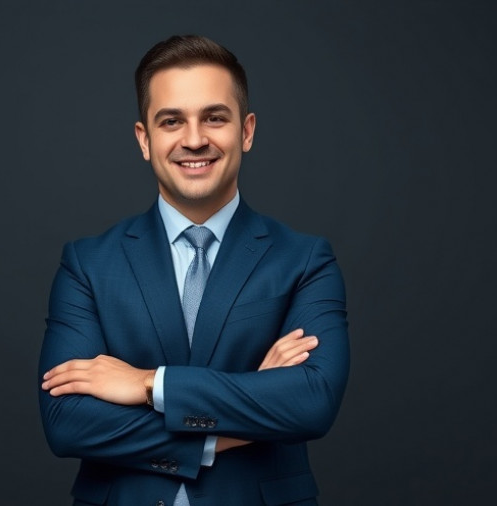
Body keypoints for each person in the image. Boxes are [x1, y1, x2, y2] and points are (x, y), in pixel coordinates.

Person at [38, 34, 350, 506]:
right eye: (172, 121)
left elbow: (312, 402)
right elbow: (67, 424)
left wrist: (148, 383)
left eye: (214, 118)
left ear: (246, 131)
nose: (194, 139)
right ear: (145, 139)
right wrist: (245, 415)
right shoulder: (88, 264)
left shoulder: (305, 260)